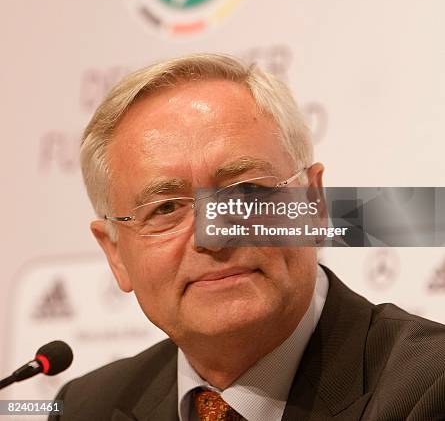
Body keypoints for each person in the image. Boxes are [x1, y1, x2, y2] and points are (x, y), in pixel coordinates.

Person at [53, 53, 445, 421]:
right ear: (116, 255)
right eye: (166, 208)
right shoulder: (87, 407)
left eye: (244, 190)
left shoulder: (429, 386)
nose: (214, 236)